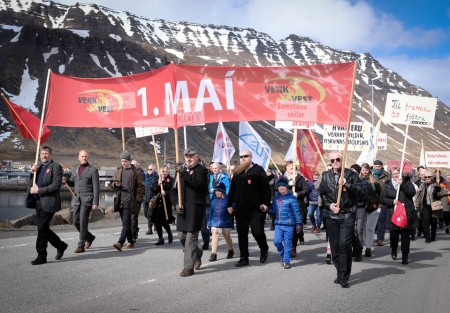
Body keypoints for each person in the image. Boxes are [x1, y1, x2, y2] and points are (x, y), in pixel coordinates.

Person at [319, 151, 364, 288]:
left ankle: (344, 276)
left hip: (347, 215)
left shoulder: (351, 175)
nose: (335, 162)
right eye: (332, 160)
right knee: (335, 246)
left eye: (337, 159)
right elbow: (323, 194)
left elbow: (362, 192)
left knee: (345, 244)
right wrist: (330, 206)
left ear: (342, 159)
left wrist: (347, 185)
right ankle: (340, 272)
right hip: (332, 216)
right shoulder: (325, 175)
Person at [227, 150, 271, 267]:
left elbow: (266, 188)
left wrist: (266, 203)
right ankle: (244, 257)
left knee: (257, 231)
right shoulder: (238, 171)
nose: (243, 158)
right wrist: (229, 204)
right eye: (241, 157)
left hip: (256, 208)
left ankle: (263, 248)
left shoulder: (258, 170)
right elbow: (232, 189)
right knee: (242, 233)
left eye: (245, 156)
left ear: (251, 157)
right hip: (240, 209)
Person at [28, 146, 68, 265]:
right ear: (40, 155)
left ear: (51, 155)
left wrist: (39, 190)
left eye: (46, 153)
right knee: (43, 228)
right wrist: (32, 174)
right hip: (38, 202)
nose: (44, 155)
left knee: (41, 229)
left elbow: (56, 185)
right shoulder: (38, 168)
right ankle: (60, 245)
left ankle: (42, 256)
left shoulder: (56, 167)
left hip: (49, 202)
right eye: (42, 153)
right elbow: (31, 185)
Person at [172, 148, 208, 277]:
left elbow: (197, 184)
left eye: (191, 156)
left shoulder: (202, 171)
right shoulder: (179, 172)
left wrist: (184, 173)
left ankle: (188, 267)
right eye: (186, 156)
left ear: (197, 157)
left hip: (195, 210)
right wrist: (176, 204)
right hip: (182, 210)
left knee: (190, 240)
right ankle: (197, 253)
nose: (188, 158)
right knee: (181, 236)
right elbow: (174, 191)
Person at [64, 149, 99, 253]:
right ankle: (90, 237)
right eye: (82, 156)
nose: (84, 158)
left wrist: (95, 202)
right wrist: (66, 181)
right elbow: (72, 183)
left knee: (83, 222)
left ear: (88, 158)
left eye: (86, 156)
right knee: (75, 222)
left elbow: (96, 187)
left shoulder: (93, 170)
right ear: (78, 158)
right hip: (77, 200)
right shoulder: (75, 170)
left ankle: (81, 245)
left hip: (87, 200)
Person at [380, 167, 416, 264]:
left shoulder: (407, 182)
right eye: (394, 173)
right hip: (393, 214)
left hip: (405, 214)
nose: (396, 175)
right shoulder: (387, 185)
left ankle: (405, 255)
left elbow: (412, 193)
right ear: (391, 174)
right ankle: (394, 249)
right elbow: (382, 198)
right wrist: (392, 201)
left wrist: (403, 184)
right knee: (394, 236)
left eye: (397, 173)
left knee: (405, 237)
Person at [111, 151, 145, 251]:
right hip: (120, 200)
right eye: (122, 161)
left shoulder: (136, 173)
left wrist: (138, 201)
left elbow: (141, 188)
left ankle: (120, 242)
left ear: (129, 161)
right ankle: (130, 241)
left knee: (126, 222)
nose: (123, 163)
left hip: (130, 201)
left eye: (125, 161)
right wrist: (115, 185)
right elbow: (112, 183)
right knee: (126, 223)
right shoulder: (118, 171)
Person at [269, 176, 303, 269]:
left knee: (288, 243)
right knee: (277, 241)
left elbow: (297, 212)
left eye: (283, 186)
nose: (281, 188)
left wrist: (299, 223)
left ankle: (286, 261)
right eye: (279, 186)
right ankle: (283, 255)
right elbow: (273, 211)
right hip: (278, 224)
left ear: (286, 187)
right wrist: (266, 209)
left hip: (289, 225)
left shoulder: (292, 198)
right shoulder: (276, 198)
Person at [203, 162, 231, 250]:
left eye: (216, 168)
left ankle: (230, 248)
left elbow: (228, 188)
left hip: (222, 201)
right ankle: (207, 243)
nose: (214, 170)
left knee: (224, 228)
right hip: (211, 201)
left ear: (219, 169)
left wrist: (223, 194)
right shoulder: (210, 177)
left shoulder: (224, 177)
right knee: (208, 219)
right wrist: (209, 191)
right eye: (213, 168)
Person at [415, 171, 447, 243]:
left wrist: (438, 193)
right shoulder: (422, 185)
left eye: (429, 177)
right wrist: (417, 205)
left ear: (432, 177)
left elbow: (443, 193)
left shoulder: (436, 184)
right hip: (425, 205)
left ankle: (433, 236)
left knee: (433, 222)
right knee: (425, 221)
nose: (427, 178)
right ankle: (427, 237)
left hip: (434, 205)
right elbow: (417, 195)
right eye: (425, 177)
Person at [207, 182, 234, 261]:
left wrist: (232, 211)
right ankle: (213, 254)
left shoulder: (228, 200)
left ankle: (230, 250)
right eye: (216, 191)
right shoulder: (213, 201)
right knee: (214, 237)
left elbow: (233, 210)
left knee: (227, 237)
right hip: (215, 223)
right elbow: (210, 213)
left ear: (223, 192)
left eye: (219, 191)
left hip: (225, 223)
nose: (217, 192)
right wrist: (209, 223)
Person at [360, 163, 382, 258]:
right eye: (363, 170)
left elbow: (380, 194)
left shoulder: (375, 181)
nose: (365, 172)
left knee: (370, 228)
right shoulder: (357, 180)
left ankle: (368, 248)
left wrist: (379, 206)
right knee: (363, 229)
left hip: (373, 207)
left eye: (366, 170)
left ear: (369, 170)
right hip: (361, 207)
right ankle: (365, 245)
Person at [150, 166, 174, 245]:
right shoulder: (157, 178)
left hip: (166, 204)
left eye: (165, 171)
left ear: (168, 172)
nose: (163, 173)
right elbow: (152, 189)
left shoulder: (171, 180)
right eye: (162, 171)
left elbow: (173, 193)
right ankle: (161, 238)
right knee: (157, 222)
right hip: (157, 204)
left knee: (164, 222)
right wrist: (158, 184)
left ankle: (169, 233)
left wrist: (166, 193)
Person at [350, 164, 367, 262]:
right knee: (350, 230)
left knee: (359, 231)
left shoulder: (363, 183)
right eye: (351, 170)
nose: (352, 172)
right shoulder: (346, 181)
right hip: (350, 208)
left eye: (355, 171)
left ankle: (359, 251)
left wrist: (353, 188)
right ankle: (354, 248)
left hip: (360, 208)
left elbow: (363, 195)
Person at [372, 159, 390, 246]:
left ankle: (380, 238)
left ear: (382, 166)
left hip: (383, 201)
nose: (377, 168)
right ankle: (370, 237)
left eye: (379, 166)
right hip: (372, 201)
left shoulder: (386, 175)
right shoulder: (370, 174)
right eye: (376, 166)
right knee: (372, 221)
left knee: (381, 220)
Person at [130, 159, 144, 241]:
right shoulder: (129, 173)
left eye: (135, 165)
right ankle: (134, 230)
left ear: (138, 166)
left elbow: (141, 187)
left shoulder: (141, 174)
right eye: (132, 165)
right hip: (128, 199)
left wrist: (138, 199)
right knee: (129, 219)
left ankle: (133, 235)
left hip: (136, 200)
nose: (133, 167)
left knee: (133, 217)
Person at [143, 164, 159, 235]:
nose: (149, 170)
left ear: (154, 170)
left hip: (152, 199)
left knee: (150, 214)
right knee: (146, 214)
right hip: (145, 198)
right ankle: (155, 222)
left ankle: (149, 229)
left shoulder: (156, 177)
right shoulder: (145, 176)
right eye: (148, 169)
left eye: (151, 169)